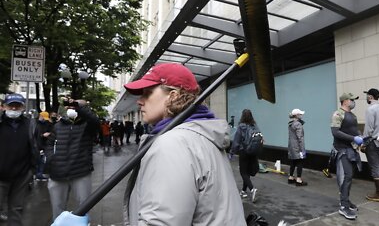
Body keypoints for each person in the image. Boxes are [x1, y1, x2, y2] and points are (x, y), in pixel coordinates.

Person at [51, 63, 246, 225]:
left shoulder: (173, 144)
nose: (140, 101)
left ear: (174, 95)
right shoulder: (198, 136)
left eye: (147, 93)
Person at [45, 98, 100, 221]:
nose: (71, 109)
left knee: (83, 208)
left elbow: (95, 122)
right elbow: (49, 144)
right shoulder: (58, 126)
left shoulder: (87, 126)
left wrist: (79, 106)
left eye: (76, 107)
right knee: (57, 210)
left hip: (80, 172)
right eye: (69, 107)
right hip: (57, 173)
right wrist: (51, 159)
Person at [0, 93, 39, 226]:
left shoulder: (30, 125)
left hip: (22, 176)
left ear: (23, 107)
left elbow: (34, 146)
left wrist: (32, 170)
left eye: (18, 105)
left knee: (16, 209)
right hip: (1, 175)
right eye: (11, 105)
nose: (14, 109)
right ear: (4, 107)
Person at [330, 92, 363, 220]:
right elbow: (335, 132)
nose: (354, 101)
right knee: (346, 177)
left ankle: (346, 200)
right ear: (345, 101)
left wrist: (360, 136)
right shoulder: (338, 114)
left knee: (349, 177)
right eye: (352, 99)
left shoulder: (352, 115)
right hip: (342, 150)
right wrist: (353, 138)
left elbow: (354, 129)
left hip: (351, 150)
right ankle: (343, 207)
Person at [230, 109, 260, 203]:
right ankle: (243, 191)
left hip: (244, 152)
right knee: (247, 172)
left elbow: (236, 142)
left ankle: (252, 189)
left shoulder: (241, 127)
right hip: (253, 151)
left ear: (242, 116)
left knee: (243, 172)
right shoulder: (254, 126)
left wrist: (231, 152)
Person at [287, 108, 308, 186]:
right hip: (297, 146)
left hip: (291, 146)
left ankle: (291, 177)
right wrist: (303, 150)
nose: (302, 115)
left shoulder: (290, 123)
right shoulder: (298, 124)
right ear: (296, 115)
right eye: (300, 114)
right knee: (300, 161)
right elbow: (300, 137)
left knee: (293, 161)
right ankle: (299, 180)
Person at [35, 111, 53, 181]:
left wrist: (49, 134)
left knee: (42, 160)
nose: (44, 119)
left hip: (42, 145)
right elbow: (36, 135)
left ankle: (39, 174)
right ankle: (38, 174)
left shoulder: (46, 124)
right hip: (38, 145)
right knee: (39, 160)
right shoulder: (36, 124)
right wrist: (43, 135)